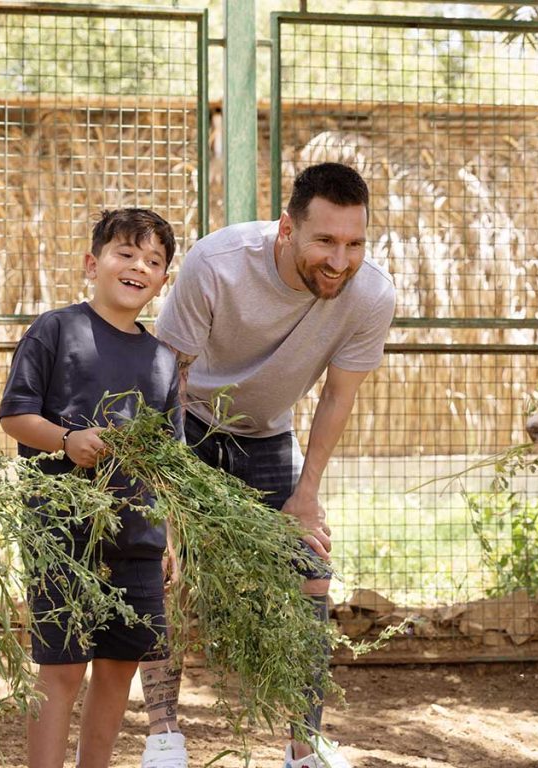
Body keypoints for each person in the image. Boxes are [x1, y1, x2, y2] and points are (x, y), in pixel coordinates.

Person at [149, 162, 396, 768]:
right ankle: (163, 737)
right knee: (164, 574)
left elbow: (339, 396)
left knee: (311, 566)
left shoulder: (372, 296)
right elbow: (165, 382)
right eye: (326, 242)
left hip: (266, 435)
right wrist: (166, 497)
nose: (340, 260)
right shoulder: (217, 263)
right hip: (189, 423)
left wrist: (306, 495)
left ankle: (302, 746)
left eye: (355, 243)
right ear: (287, 228)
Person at [0, 208, 188, 768]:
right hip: (62, 533)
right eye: (125, 253)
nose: (138, 267)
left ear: (163, 281)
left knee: (118, 669)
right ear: (92, 263)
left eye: (153, 261)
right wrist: (65, 441)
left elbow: (167, 465)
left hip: (138, 539)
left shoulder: (160, 359)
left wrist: (169, 536)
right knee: (59, 670)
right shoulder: (56, 329)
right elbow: (14, 416)